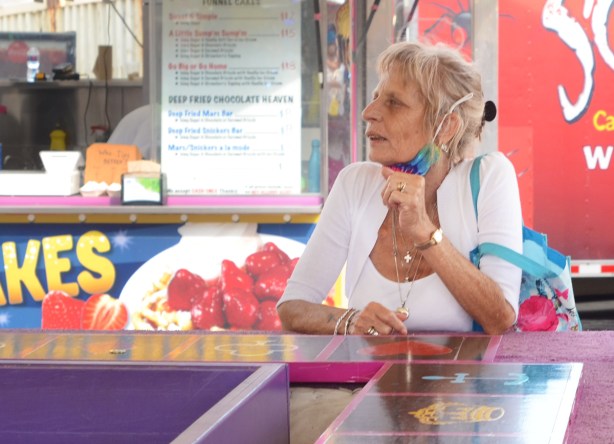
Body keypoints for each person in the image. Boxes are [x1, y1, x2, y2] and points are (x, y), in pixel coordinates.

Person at [277, 40, 523, 336]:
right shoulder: (354, 184)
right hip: (369, 382)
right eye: (376, 97)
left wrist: (423, 230)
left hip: (463, 382)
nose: (369, 112)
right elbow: (292, 306)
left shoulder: (488, 176)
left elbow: (501, 318)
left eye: (394, 102)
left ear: (445, 126)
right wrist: (351, 321)